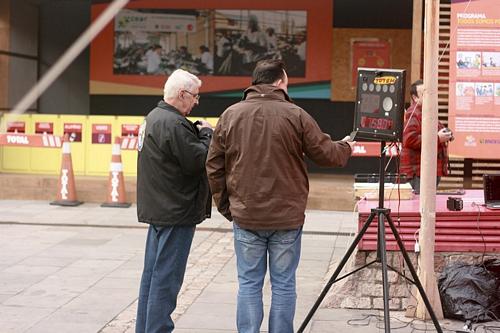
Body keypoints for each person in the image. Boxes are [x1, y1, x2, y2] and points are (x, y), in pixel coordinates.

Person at [206, 59, 354, 333]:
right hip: (287, 216)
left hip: (246, 214)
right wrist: (346, 146)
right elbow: (327, 154)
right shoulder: (296, 115)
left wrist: (228, 207)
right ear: (279, 83)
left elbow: (214, 166)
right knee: (284, 283)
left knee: (249, 283)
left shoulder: (230, 115)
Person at [135, 69, 213, 333]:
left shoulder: (153, 117)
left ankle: (145, 328)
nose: (196, 102)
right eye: (194, 96)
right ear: (182, 94)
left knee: (152, 277)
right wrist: (207, 134)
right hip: (176, 212)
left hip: (158, 209)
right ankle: (157, 329)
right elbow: (198, 160)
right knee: (166, 279)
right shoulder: (174, 123)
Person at [400, 79, 453, 194]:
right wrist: (438, 138)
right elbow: (410, 139)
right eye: (424, 94)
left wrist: (446, 134)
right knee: (420, 208)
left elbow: (438, 131)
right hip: (418, 173)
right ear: (415, 98)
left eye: (429, 92)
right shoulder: (412, 113)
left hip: (428, 171)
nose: (428, 96)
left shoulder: (427, 112)